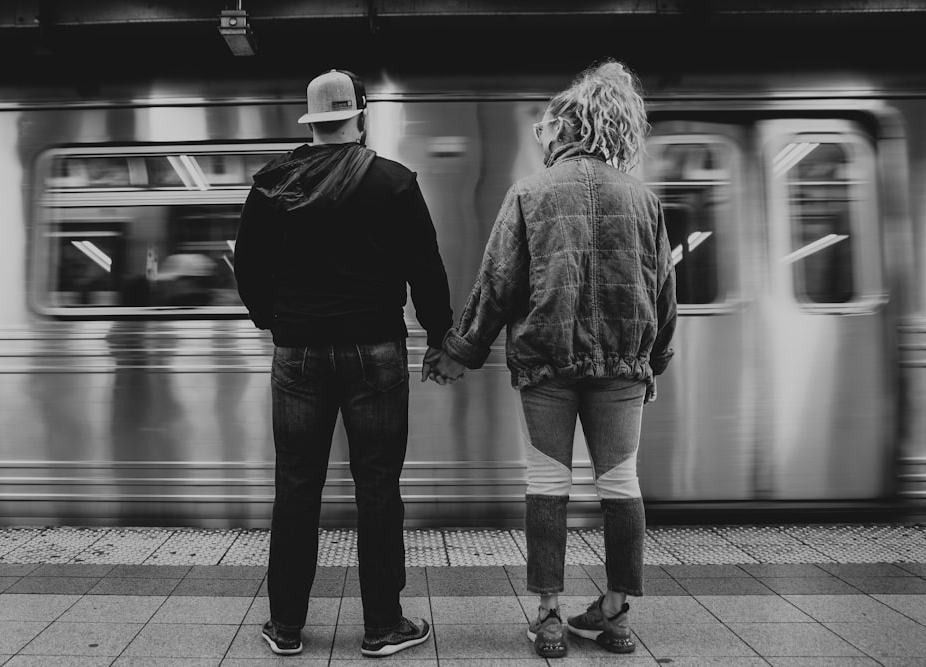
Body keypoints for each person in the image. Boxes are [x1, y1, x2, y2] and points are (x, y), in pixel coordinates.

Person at [428, 59, 677, 658]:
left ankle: (546, 618)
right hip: (622, 365)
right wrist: (655, 361)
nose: (544, 140)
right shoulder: (644, 201)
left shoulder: (530, 194)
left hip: (547, 365)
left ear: (568, 130)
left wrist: (459, 351)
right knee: (621, 484)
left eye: (547, 130)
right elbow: (664, 292)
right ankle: (615, 616)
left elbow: (498, 285)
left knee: (547, 484)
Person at [234, 69, 452, 658]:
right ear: (361, 114)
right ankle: (383, 626)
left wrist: (275, 321)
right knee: (378, 487)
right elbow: (426, 267)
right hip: (374, 350)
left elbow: (246, 267)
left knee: (297, 485)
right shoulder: (394, 182)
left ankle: (285, 627)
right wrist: (439, 335)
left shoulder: (273, 185)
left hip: (297, 353)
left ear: (311, 120)